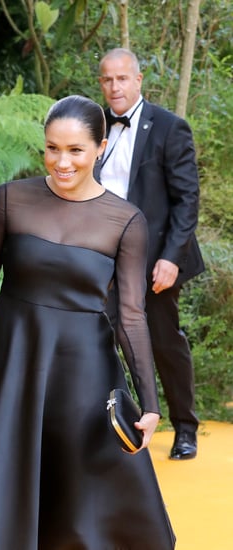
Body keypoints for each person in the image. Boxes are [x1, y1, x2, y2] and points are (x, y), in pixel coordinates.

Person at [0, 95, 175, 549]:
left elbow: (132, 315)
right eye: (52, 148)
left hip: (83, 376)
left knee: (77, 502)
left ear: (101, 147)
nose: (62, 161)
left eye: (75, 150)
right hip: (8, 363)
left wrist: (150, 403)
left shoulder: (126, 221)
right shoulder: (11, 200)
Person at [95, 48, 205, 460]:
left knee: (163, 342)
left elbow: (187, 199)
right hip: (103, 256)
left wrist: (172, 258)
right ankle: (120, 423)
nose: (114, 87)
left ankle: (185, 427)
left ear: (138, 80)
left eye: (122, 78)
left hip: (156, 256)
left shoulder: (170, 127)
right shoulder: (94, 125)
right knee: (102, 338)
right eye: (107, 80)